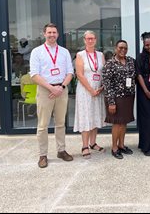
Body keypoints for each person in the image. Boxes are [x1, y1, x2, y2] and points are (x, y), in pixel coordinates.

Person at [30, 23, 74, 169]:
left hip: (61, 89)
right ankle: (43, 155)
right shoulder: (37, 52)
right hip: (45, 90)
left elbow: (70, 73)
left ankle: (61, 150)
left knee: (60, 123)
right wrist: (51, 88)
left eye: (54, 32)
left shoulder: (64, 52)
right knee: (42, 125)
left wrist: (60, 87)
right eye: (49, 32)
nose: (52, 35)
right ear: (44, 34)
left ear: (58, 34)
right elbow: (34, 75)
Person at [74, 31, 106, 159]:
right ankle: (85, 146)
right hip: (85, 91)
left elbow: (104, 72)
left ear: (96, 39)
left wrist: (102, 87)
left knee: (95, 116)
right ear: (84, 40)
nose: (90, 41)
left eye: (92, 38)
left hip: (98, 91)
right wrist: (90, 90)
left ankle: (93, 143)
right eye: (88, 38)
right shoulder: (80, 55)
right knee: (86, 116)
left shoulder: (100, 55)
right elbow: (80, 74)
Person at [102, 40, 136, 160]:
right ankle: (114, 147)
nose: (123, 50)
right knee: (117, 123)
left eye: (125, 48)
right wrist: (111, 102)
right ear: (115, 48)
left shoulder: (131, 61)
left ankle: (121, 145)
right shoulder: (110, 64)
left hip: (128, 96)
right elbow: (107, 84)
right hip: (116, 98)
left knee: (124, 122)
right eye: (120, 47)